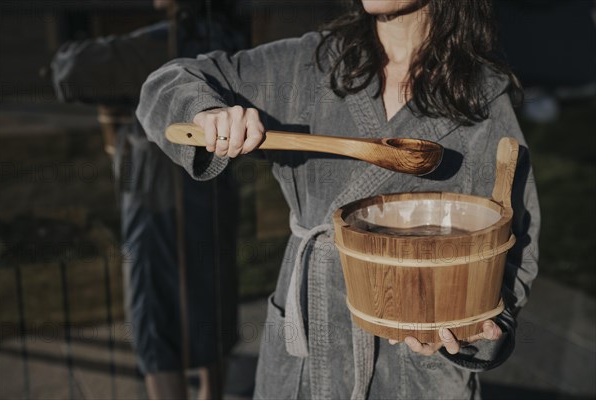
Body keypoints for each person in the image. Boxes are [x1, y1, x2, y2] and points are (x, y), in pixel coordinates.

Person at [137, 0, 540, 398]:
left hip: (417, 371)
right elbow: (168, 80)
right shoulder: (307, 65)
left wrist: (478, 329)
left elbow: (516, 239)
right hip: (305, 353)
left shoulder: (481, 96)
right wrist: (205, 112)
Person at [51, 1, 245, 398]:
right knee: (210, 297)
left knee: (154, 309)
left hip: (158, 192)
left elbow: (73, 70)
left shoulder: (168, 43)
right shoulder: (229, 37)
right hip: (213, 185)